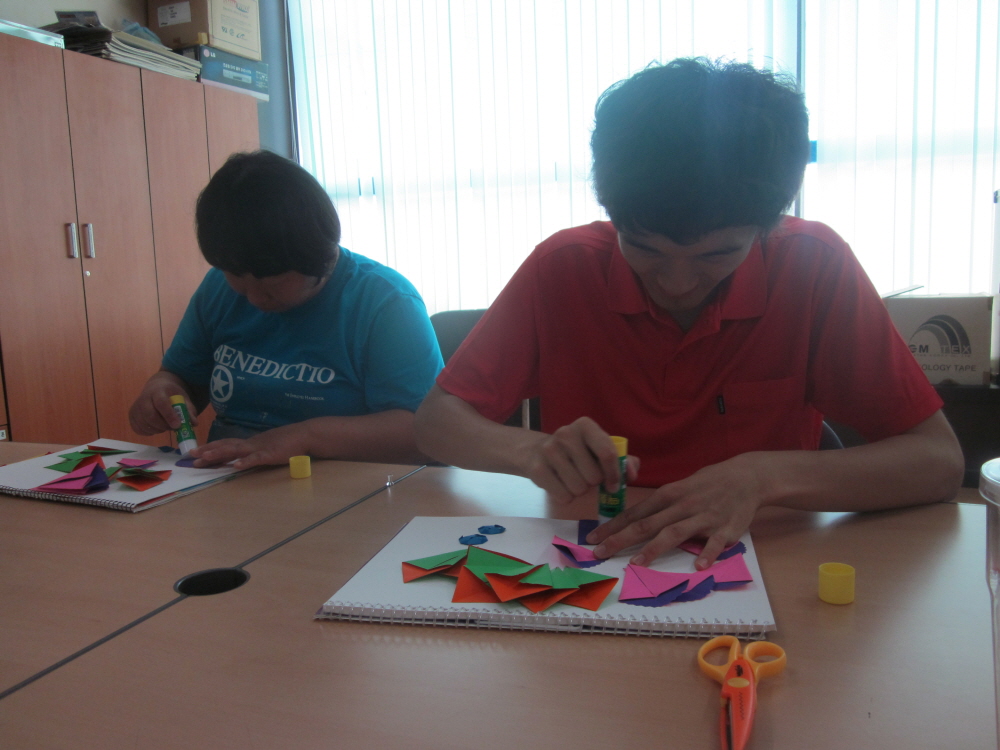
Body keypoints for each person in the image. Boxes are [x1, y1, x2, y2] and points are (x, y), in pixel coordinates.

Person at [414, 58, 964, 569]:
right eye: (643, 249)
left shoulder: (813, 267)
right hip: (590, 553)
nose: (676, 284)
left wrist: (764, 477)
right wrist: (530, 450)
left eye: (717, 255)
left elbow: (938, 462)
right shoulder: (564, 267)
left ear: (769, 225)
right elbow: (437, 422)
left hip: (759, 559)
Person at [130, 150, 443, 469]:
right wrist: (161, 390)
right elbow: (182, 378)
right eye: (237, 278)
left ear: (319, 258)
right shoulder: (218, 288)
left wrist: (305, 438)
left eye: (272, 284)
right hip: (231, 478)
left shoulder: (386, 302)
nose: (253, 298)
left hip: (347, 481)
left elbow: (426, 434)